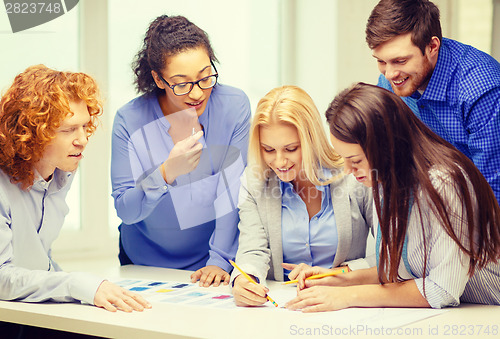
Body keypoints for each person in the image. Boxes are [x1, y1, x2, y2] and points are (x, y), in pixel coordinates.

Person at [286, 83, 500, 312]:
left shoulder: (445, 183)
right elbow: (403, 268)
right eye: (344, 159)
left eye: (355, 161)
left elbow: (441, 290)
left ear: (386, 146)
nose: (348, 170)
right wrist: (338, 278)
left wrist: (347, 296)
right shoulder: (382, 179)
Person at [111, 15, 251, 287]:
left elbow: (231, 189)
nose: (197, 93)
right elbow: (125, 210)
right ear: (158, 79)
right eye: (182, 83)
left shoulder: (234, 107)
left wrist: (220, 259)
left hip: (210, 262)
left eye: (204, 77)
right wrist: (165, 173)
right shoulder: (129, 120)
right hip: (142, 262)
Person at [0, 65, 151, 313]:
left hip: (30, 310)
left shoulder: (60, 172)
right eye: (68, 129)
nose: (82, 139)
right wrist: (76, 284)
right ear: (32, 133)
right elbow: (1, 278)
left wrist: (93, 288)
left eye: (84, 126)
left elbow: (38, 258)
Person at [231, 86, 374, 307]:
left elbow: (391, 257)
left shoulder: (354, 174)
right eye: (268, 150)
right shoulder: (253, 182)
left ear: (311, 140)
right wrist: (245, 279)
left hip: (345, 304)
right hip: (283, 307)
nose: (279, 162)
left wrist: (340, 274)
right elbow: (252, 249)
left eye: (291, 149)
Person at [365, 0, 500, 205]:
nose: (390, 74)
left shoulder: (481, 90)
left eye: (400, 61)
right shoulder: (392, 78)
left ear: (432, 46)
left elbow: (493, 193)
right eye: (381, 61)